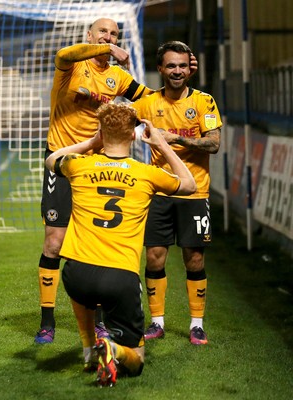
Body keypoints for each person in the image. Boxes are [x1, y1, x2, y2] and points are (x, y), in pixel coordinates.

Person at [35, 17, 198, 344]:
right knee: (54, 242)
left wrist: (179, 74)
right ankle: (47, 320)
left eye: (114, 34)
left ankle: (96, 323)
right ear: (90, 36)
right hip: (67, 157)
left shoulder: (119, 78)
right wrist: (107, 48)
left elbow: (153, 98)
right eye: (103, 33)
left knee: (96, 244)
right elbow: (65, 54)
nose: (109, 38)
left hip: (99, 163)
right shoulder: (72, 66)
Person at [45, 102, 197, 386]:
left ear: (101, 131)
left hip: (76, 273)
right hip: (119, 277)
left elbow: (52, 159)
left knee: (82, 291)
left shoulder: (79, 166)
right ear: (133, 135)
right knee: (137, 360)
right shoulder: (146, 174)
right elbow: (189, 185)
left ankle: (90, 351)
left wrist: (92, 142)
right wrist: (162, 144)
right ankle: (112, 350)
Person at [131, 41, 222, 345]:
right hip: (158, 193)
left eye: (182, 66)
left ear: (189, 68)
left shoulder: (204, 102)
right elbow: (119, 124)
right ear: (160, 69)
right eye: (171, 66)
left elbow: (213, 144)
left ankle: (196, 324)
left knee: (194, 259)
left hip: (195, 193)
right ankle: (157, 322)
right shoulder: (146, 104)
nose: (177, 71)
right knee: (155, 257)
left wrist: (173, 140)